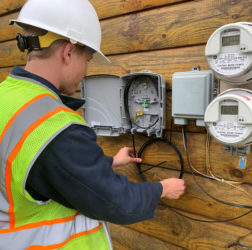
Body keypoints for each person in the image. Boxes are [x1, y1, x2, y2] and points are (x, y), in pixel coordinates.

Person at [0, 0, 185, 249]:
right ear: (67, 52)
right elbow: (114, 201)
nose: (86, 71)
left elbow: (35, 167)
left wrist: (111, 162)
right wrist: (161, 189)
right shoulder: (53, 126)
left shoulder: (7, 97)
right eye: (87, 59)